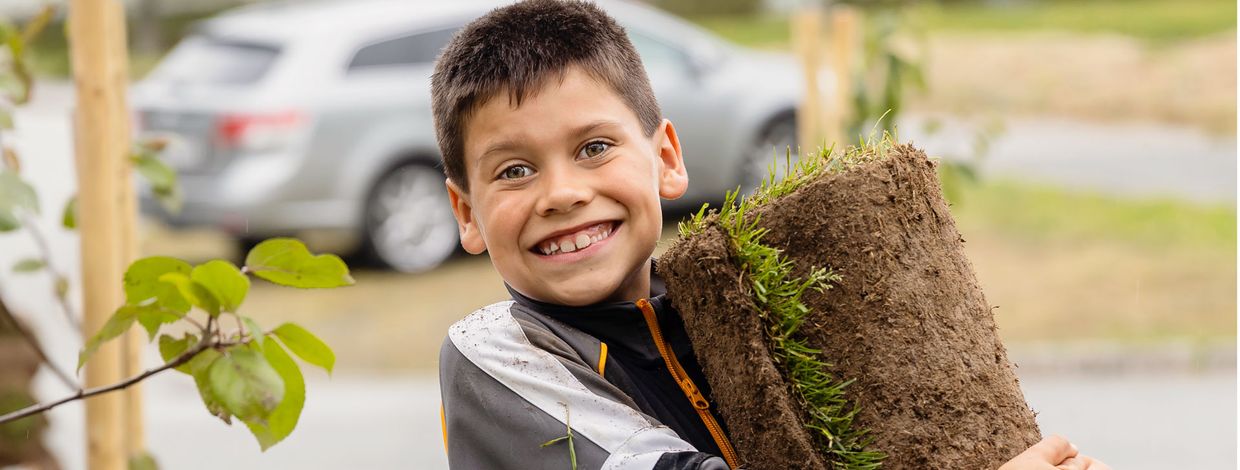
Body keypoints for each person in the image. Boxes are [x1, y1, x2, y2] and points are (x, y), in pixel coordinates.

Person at [432, 1, 1110, 469]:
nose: (563, 193)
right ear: (467, 212)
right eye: (515, 170)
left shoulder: (724, 302)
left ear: (666, 157)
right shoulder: (494, 359)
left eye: (593, 148)